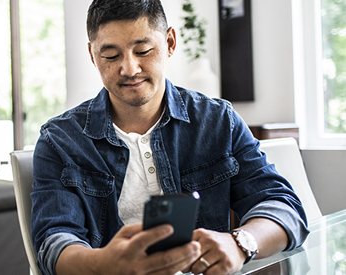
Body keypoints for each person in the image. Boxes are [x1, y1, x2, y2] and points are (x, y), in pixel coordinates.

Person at [30, 0, 309, 274]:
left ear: (170, 43)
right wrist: (103, 264)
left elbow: (283, 207)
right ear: (92, 55)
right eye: (111, 56)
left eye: (143, 50)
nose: (129, 69)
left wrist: (240, 244)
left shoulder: (217, 121)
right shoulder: (60, 140)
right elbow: (53, 242)